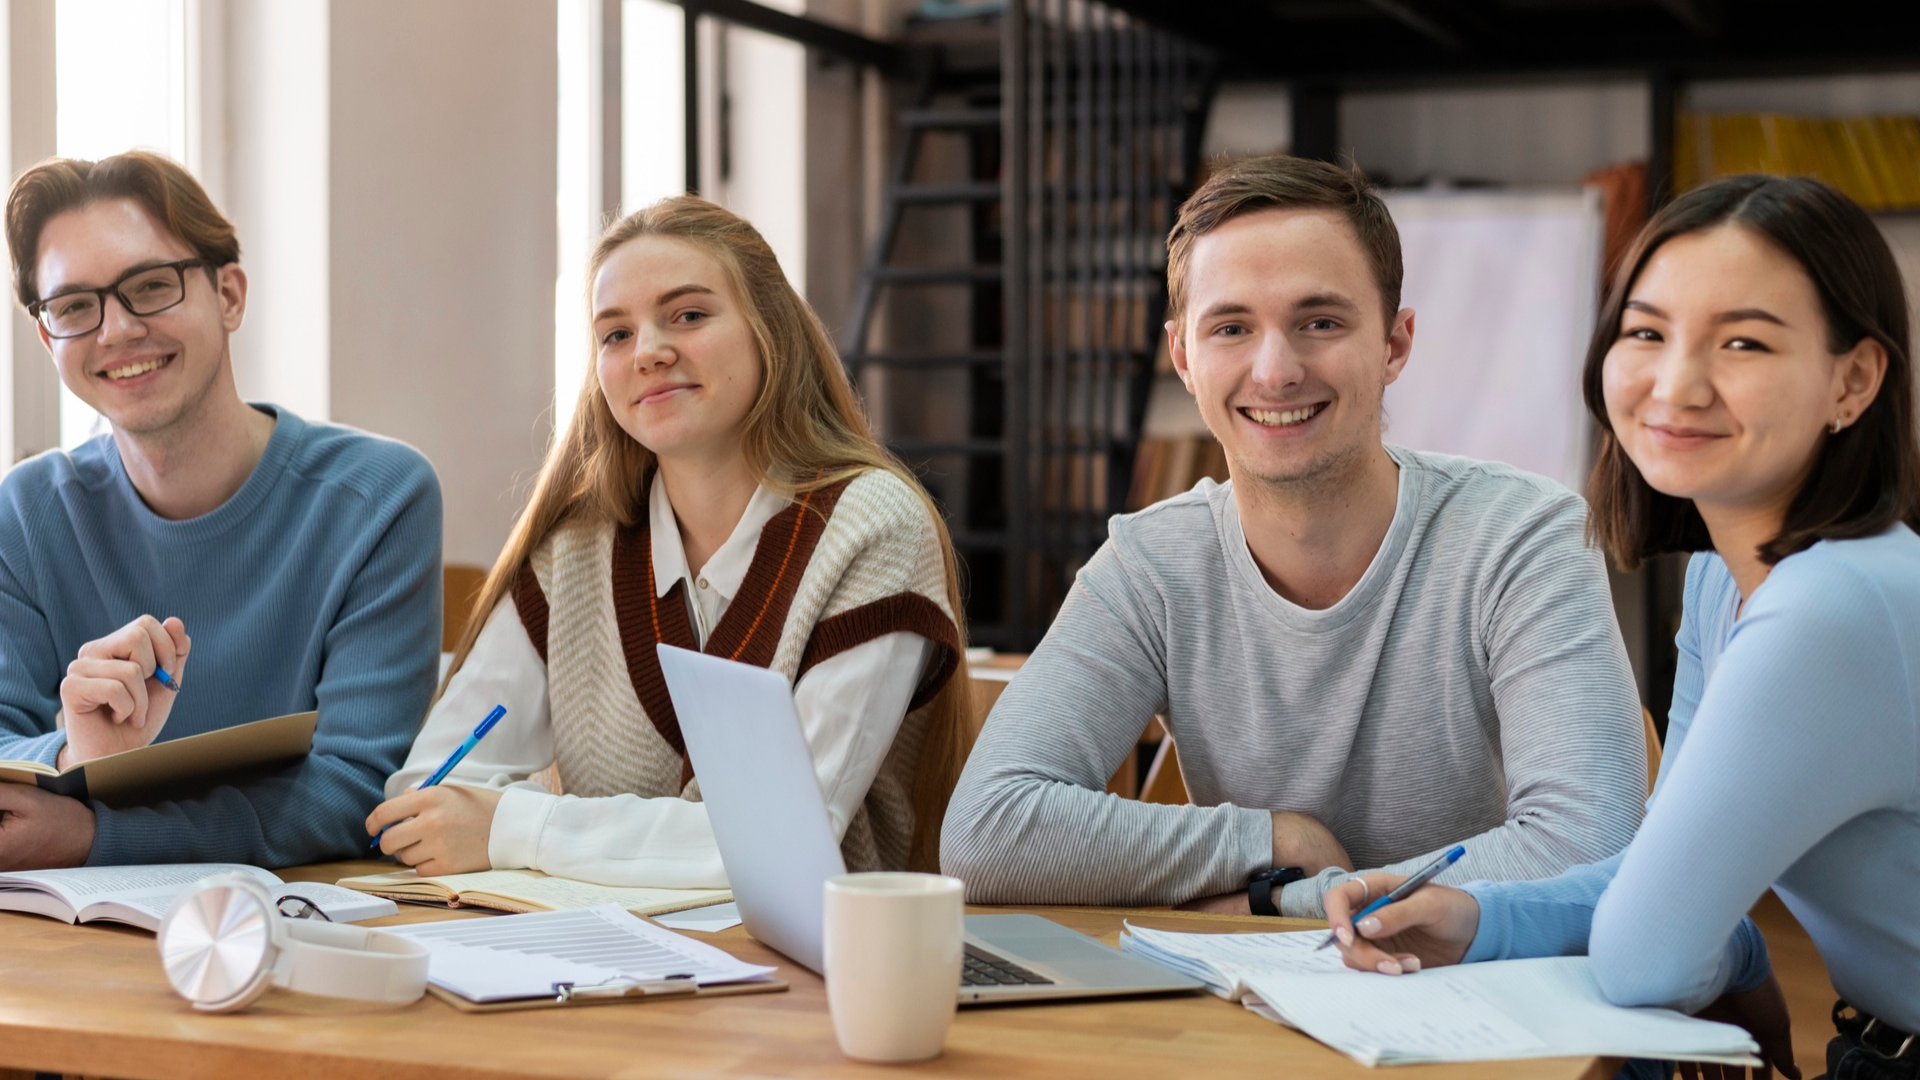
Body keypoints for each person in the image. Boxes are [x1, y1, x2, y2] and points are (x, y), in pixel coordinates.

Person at [941, 154, 1648, 918]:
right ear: (1183, 356)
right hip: (1257, 1018)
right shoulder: (1151, 566)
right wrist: (1271, 839)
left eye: (1320, 322)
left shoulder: (1523, 538)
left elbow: (1588, 844)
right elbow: (986, 832)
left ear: (1395, 344)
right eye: (1232, 327)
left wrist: (1289, 903)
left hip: (1493, 1012)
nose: (1275, 371)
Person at [1325, 175, 1920, 1080]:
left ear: (1855, 380)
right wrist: (1475, 915)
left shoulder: (1830, 609)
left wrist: (1721, 951)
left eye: (1745, 342)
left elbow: (1649, 957)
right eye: (1646, 332)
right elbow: (1658, 866)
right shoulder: (1730, 575)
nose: (1675, 384)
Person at [365, 196, 969, 886]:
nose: (649, 352)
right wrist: (487, 819)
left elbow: (783, 838)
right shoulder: (575, 549)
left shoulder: (875, 527)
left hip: (819, 977)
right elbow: (427, 792)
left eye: (688, 315)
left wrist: (515, 824)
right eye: (615, 335)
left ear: (769, 330)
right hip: (609, 967)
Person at [0, 152, 442, 870]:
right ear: (50, 339)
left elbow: (353, 789)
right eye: (75, 306)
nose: (114, 331)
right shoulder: (24, 512)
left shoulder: (380, 497)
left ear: (229, 295)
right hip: (68, 941)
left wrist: (96, 834)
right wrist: (74, 749)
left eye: (149, 286)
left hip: (295, 932)